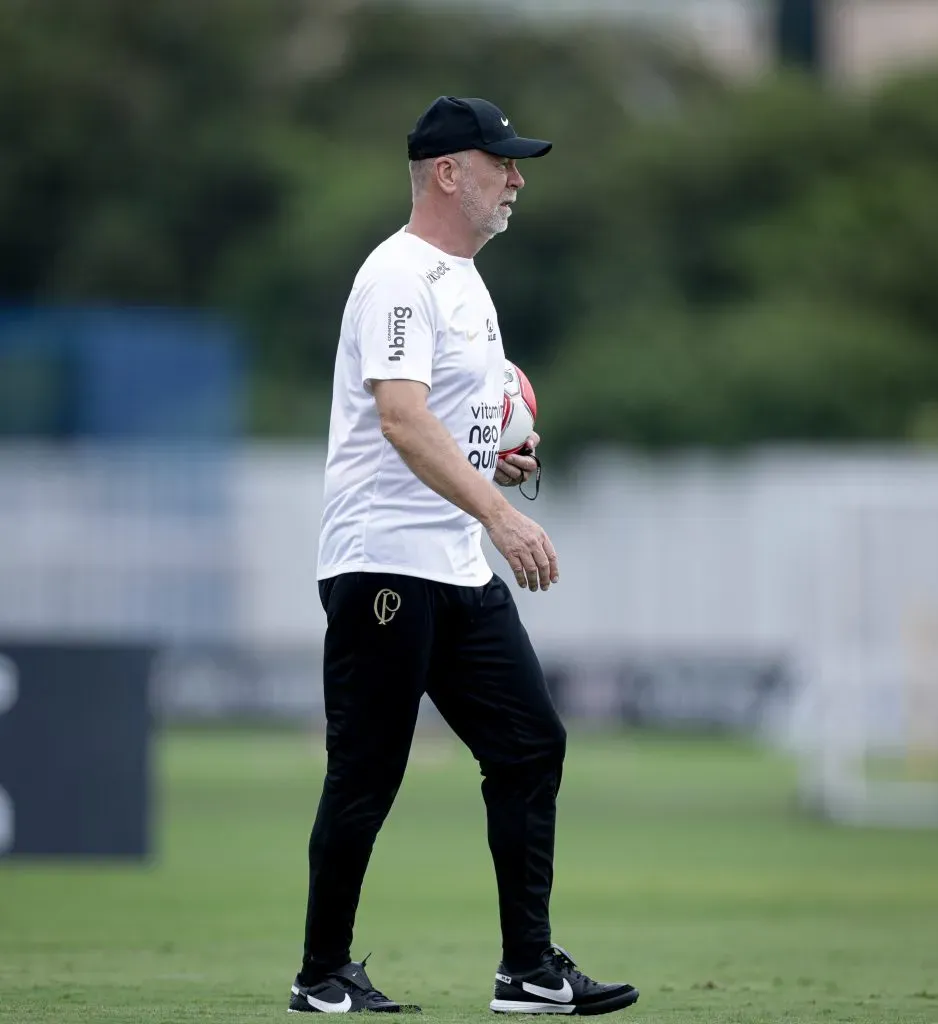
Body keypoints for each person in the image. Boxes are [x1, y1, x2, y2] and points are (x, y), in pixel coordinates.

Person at [288, 96, 639, 1016]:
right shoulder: (398, 275)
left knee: (530, 745)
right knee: (367, 772)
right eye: (503, 162)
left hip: (452, 562)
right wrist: (503, 516)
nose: (517, 178)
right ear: (450, 172)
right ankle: (321, 974)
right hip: (384, 564)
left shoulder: (467, 280)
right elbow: (401, 419)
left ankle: (527, 970)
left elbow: (444, 422)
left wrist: (499, 464)